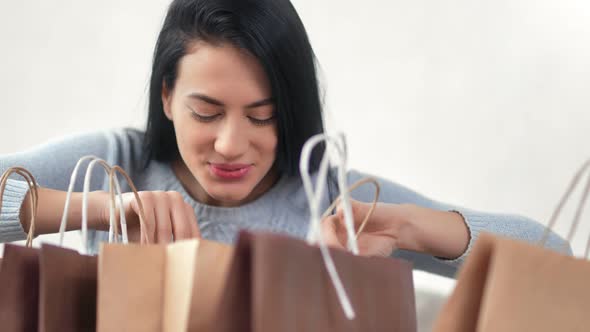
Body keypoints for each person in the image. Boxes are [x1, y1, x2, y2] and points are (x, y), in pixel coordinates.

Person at [0, 0, 569, 278]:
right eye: (206, 112)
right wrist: (101, 209)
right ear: (167, 96)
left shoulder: (326, 197)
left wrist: (408, 227)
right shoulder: (116, 162)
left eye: (263, 116)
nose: (230, 144)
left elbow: (553, 258)